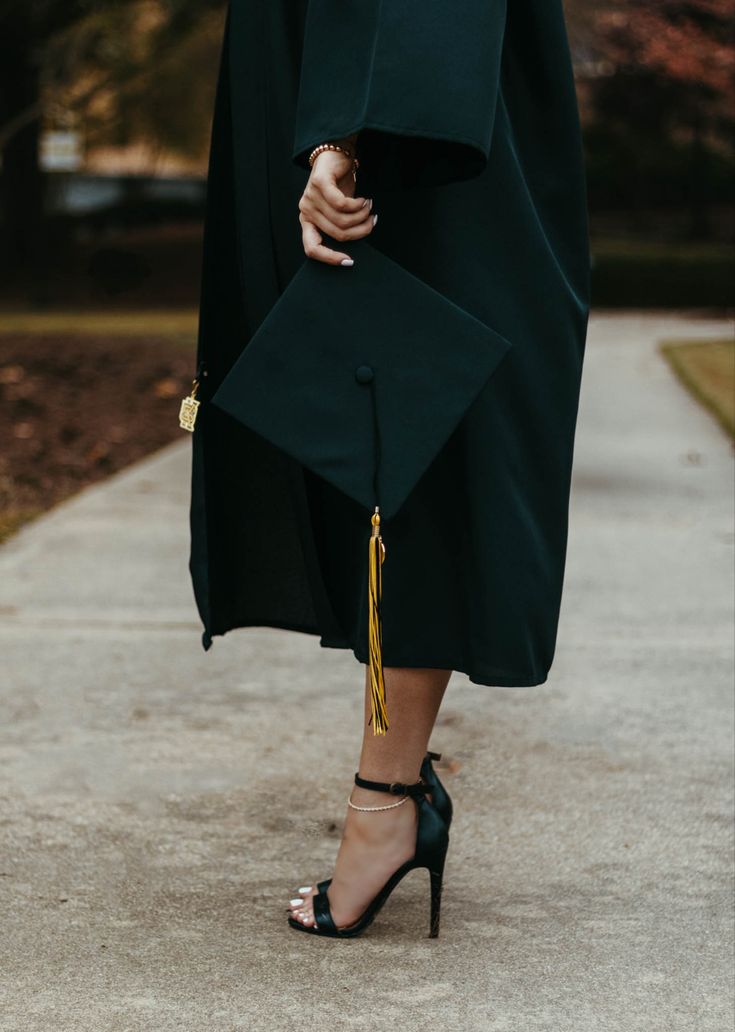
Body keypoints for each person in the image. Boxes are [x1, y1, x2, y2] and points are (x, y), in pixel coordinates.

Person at [188, 0, 591, 938]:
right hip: (341, 80)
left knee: (410, 446)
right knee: (364, 433)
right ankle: (396, 791)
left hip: (406, 108)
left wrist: (347, 127)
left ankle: (388, 801)